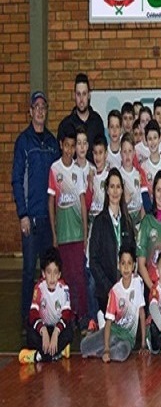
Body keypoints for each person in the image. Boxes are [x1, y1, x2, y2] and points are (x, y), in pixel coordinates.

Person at [13, 91, 60, 328]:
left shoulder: (53, 144)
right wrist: (22, 214)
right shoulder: (23, 142)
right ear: (30, 111)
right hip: (31, 219)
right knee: (29, 271)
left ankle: (47, 315)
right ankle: (26, 320)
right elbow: (16, 180)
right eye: (36, 106)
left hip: (49, 219)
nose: (40, 110)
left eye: (44, 106)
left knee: (48, 272)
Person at [48, 124, 89, 328]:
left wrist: (85, 230)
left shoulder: (77, 171)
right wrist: (54, 233)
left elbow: (82, 201)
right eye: (67, 145)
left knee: (79, 276)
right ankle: (67, 315)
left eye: (73, 146)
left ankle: (81, 314)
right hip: (63, 234)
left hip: (78, 233)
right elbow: (51, 202)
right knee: (66, 276)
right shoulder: (55, 170)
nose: (70, 149)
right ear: (61, 145)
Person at [81, 247, 146, 363]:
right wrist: (106, 349)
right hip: (112, 331)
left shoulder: (138, 284)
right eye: (123, 263)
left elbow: (141, 313)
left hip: (127, 339)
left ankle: (101, 352)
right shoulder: (115, 291)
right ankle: (106, 346)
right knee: (83, 347)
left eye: (129, 263)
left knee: (122, 353)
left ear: (134, 266)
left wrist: (143, 344)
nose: (126, 267)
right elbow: (109, 322)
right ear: (118, 265)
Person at [89, 168, 136, 326]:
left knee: (123, 340)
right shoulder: (99, 222)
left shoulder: (127, 222)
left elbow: (132, 255)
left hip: (125, 292)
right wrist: (110, 288)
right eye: (112, 186)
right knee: (109, 340)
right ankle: (99, 322)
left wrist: (125, 287)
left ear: (122, 190)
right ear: (106, 189)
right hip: (106, 293)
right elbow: (94, 261)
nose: (115, 191)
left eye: (118, 187)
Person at [19, 248, 73, 364]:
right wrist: (43, 330)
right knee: (31, 336)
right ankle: (57, 353)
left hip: (57, 329)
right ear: (43, 274)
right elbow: (33, 313)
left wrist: (56, 332)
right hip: (43, 328)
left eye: (55, 273)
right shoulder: (39, 288)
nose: (52, 277)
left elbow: (67, 314)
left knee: (69, 333)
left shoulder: (64, 289)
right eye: (49, 272)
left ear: (59, 274)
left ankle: (37, 356)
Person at [57, 73, 105, 162]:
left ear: (89, 95)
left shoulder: (97, 122)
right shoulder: (65, 125)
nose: (81, 99)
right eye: (78, 94)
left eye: (84, 94)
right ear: (74, 95)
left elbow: (102, 151)